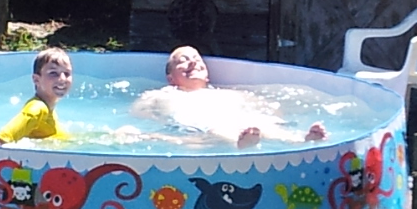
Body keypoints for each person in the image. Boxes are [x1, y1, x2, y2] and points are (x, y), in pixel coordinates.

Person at [119, 46, 327, 149]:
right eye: (183, 61)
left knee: (261, 124)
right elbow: (138, 112)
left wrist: (274, 117)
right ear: (170, 78)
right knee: (218, 130)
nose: (193, 63)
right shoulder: (163, 94)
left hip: (240, 121)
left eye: (197, 59)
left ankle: (301, 140)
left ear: (207, 74)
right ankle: (239, 144)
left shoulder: (226, 93)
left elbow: (269, 107)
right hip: (200, 128)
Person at [0, 47, 73, 146]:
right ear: (36, 80)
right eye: (53, 73)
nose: (62, 79)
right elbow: (1, 140)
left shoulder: (49, 109)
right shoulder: (37, 109)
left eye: (67, 73)